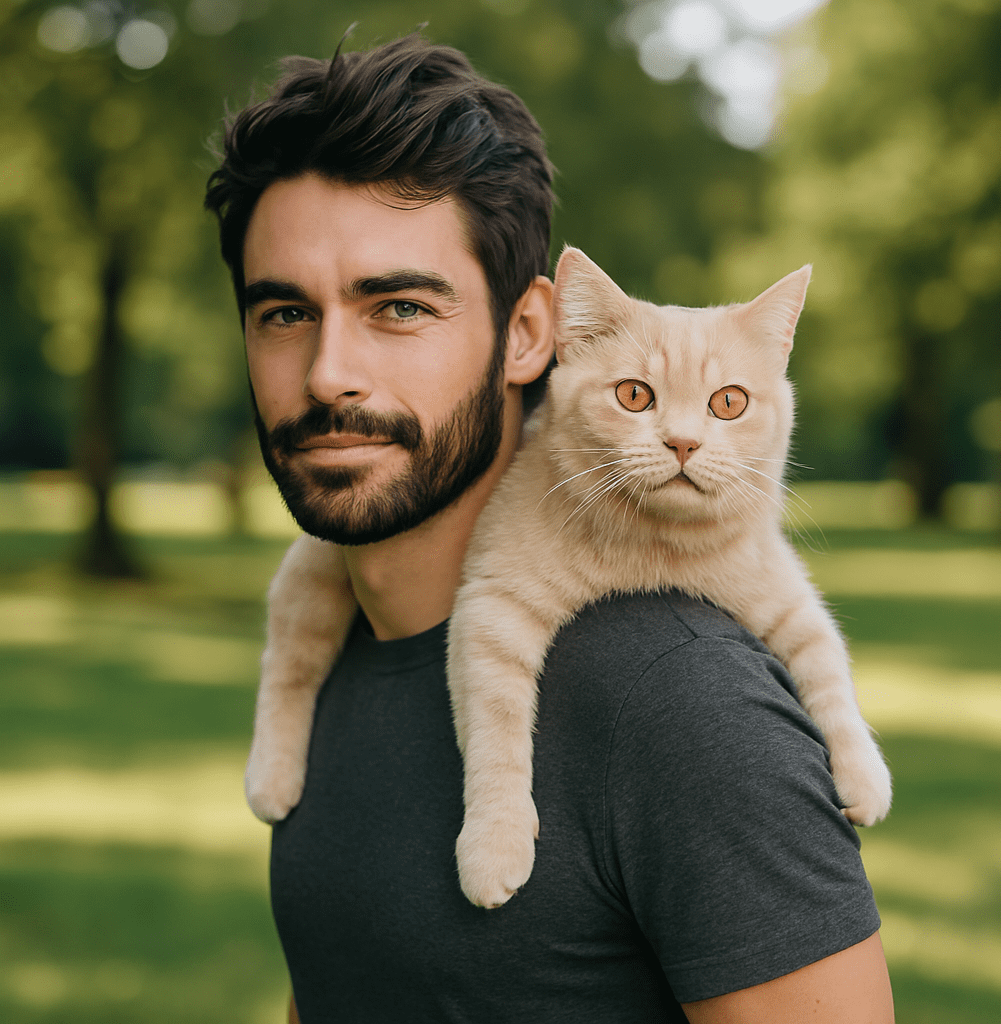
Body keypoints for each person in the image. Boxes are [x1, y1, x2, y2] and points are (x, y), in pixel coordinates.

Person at [205, 33, 894, 1024]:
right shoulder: (347, 646)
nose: (326, 374)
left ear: (533, 334)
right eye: (281, 314)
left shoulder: (681, 703)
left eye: (398, 306)